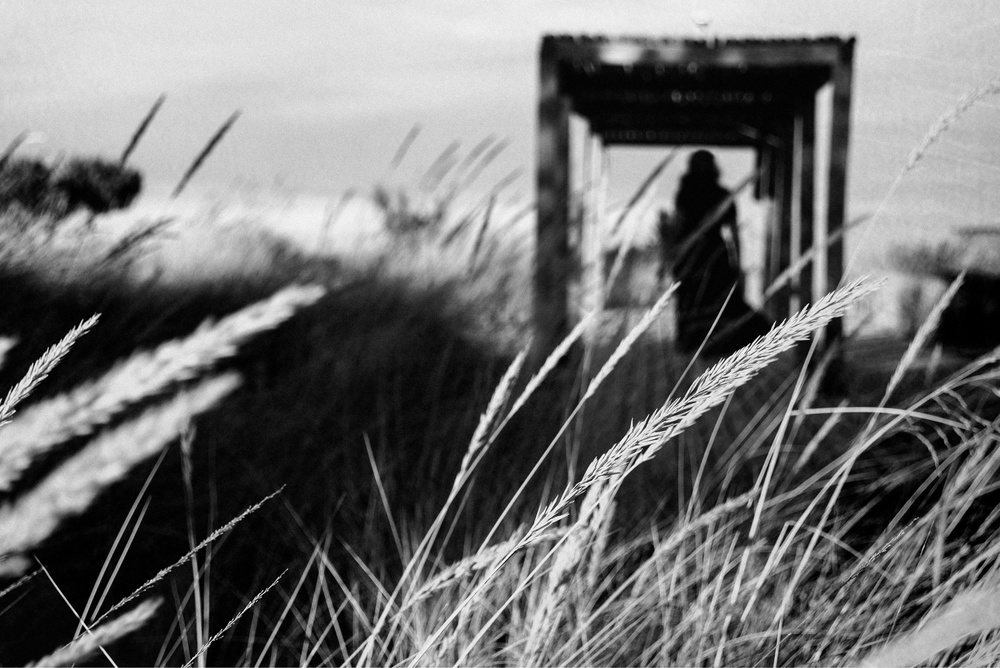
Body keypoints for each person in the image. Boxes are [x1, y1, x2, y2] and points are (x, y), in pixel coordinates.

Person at [658, 150, 769, 356]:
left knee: (693, 304)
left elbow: (679, 228)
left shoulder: (685, 193)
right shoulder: (721, 194)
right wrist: (737, 265)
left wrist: (671, 257)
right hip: (715, 257)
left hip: (693, 258)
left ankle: (694, 348)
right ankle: (719, 347)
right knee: (720, 304)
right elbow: (734, 236)